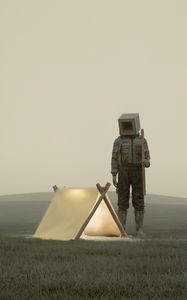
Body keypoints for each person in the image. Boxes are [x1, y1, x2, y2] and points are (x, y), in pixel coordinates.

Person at [111, 113, 150, 236]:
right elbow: (114, 157)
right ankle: (121, 229)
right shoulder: (118, 141)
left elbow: (148, 158)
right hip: (123, 172)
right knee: (122, 200)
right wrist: (114, 173)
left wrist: (146, 162)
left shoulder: (142, 140)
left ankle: (139, 229)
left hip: (138, 171)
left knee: (139, 199)